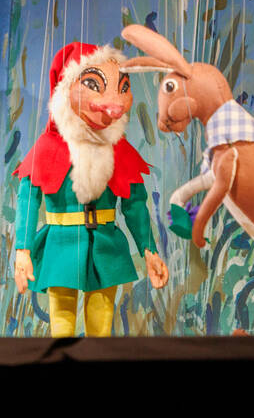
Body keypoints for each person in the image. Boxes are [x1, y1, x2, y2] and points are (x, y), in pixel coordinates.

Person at [13, 42, 168, 336]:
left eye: (122, 87)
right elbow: (28, 199)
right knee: (61, 325)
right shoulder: (47, 147)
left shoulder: (118, 149)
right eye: (94, 84)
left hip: (105, 244)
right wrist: (23, 249)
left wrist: (149, 250)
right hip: (61, 243)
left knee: (101, 326)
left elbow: (135, 204)